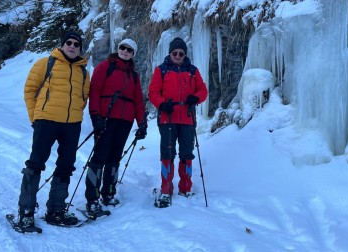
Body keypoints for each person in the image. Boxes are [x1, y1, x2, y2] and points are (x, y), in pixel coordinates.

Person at [18, 31, 90, 230]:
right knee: (36, 163)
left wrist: (75, 114)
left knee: (66, 166)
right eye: (69, 42)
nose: (72, 46)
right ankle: (26, 212)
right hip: (46, 121)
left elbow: (83, 97)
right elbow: (30, 90)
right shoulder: (45, 63)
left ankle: (56, 210)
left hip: (72, 124)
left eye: (76, 44)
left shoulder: (83, 71)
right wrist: (35, 117)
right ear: (62, 44)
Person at [85, 38, 147, 217]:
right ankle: (92, 198)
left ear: (133, 54)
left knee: (114, 158)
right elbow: (95, 91)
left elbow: (138, 101)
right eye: (123, 48)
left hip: (125, 121)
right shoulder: (105, 67)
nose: (125, 51)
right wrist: (95, 116)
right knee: (99, 158)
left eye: (129, 50)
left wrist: (142, 123)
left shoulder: (133, 75)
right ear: (118, 48)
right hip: (106, 119)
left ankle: (109, 193)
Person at [148, 37, 208, 208]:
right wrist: (161, 104)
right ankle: (166, 189)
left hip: (187, 118)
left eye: (181, 53)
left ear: (184, 55)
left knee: (187, 153)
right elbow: (153, 91)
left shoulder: (193, 71)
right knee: (167, 154)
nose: (178, 55)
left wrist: (196, 97)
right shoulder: (161, 70)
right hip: (168, 117)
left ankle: (185, 187)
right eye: (175, 53)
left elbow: (203, 90)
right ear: (170, 53)